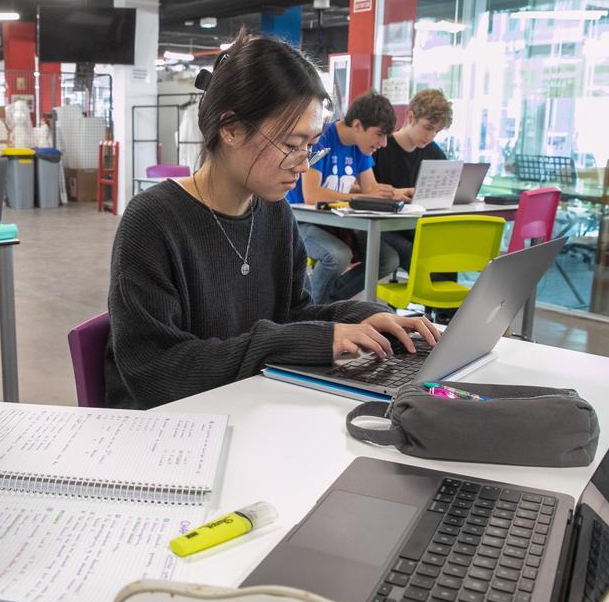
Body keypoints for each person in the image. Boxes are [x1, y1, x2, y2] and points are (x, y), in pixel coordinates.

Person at [104, 29, 439, 409]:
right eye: (291, 146)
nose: (302, 164)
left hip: (247, 410)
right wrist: (303, 340)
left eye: (310, 147)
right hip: (173, 431)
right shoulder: (153, 220)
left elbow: (292, 312)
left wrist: (363, 315)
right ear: (231, 128)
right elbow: (158, 371)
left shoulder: (274, 211)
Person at [286, 90, 412, 302]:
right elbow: (312, 195)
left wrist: (396, 193)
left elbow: (370, 189)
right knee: (337, 256)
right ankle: (311, 313)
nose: (383, 144)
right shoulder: (322, 137)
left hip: (338, 225)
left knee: (388, 259)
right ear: (357, 126)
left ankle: (326, 301)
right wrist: (362, 194)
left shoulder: (360, 148)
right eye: (379, 134)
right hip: (302, 222)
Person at [372, 88, 453, 274]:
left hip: (416, 226)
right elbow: (360, 188)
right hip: (384, 226)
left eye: (436, 131)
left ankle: (442, 303)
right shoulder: (380, 147)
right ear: (410, 117)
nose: (430, 136)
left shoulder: (434, 153)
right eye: (427, 128)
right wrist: (392, 192)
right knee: (419, 254)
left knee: (446, 251)